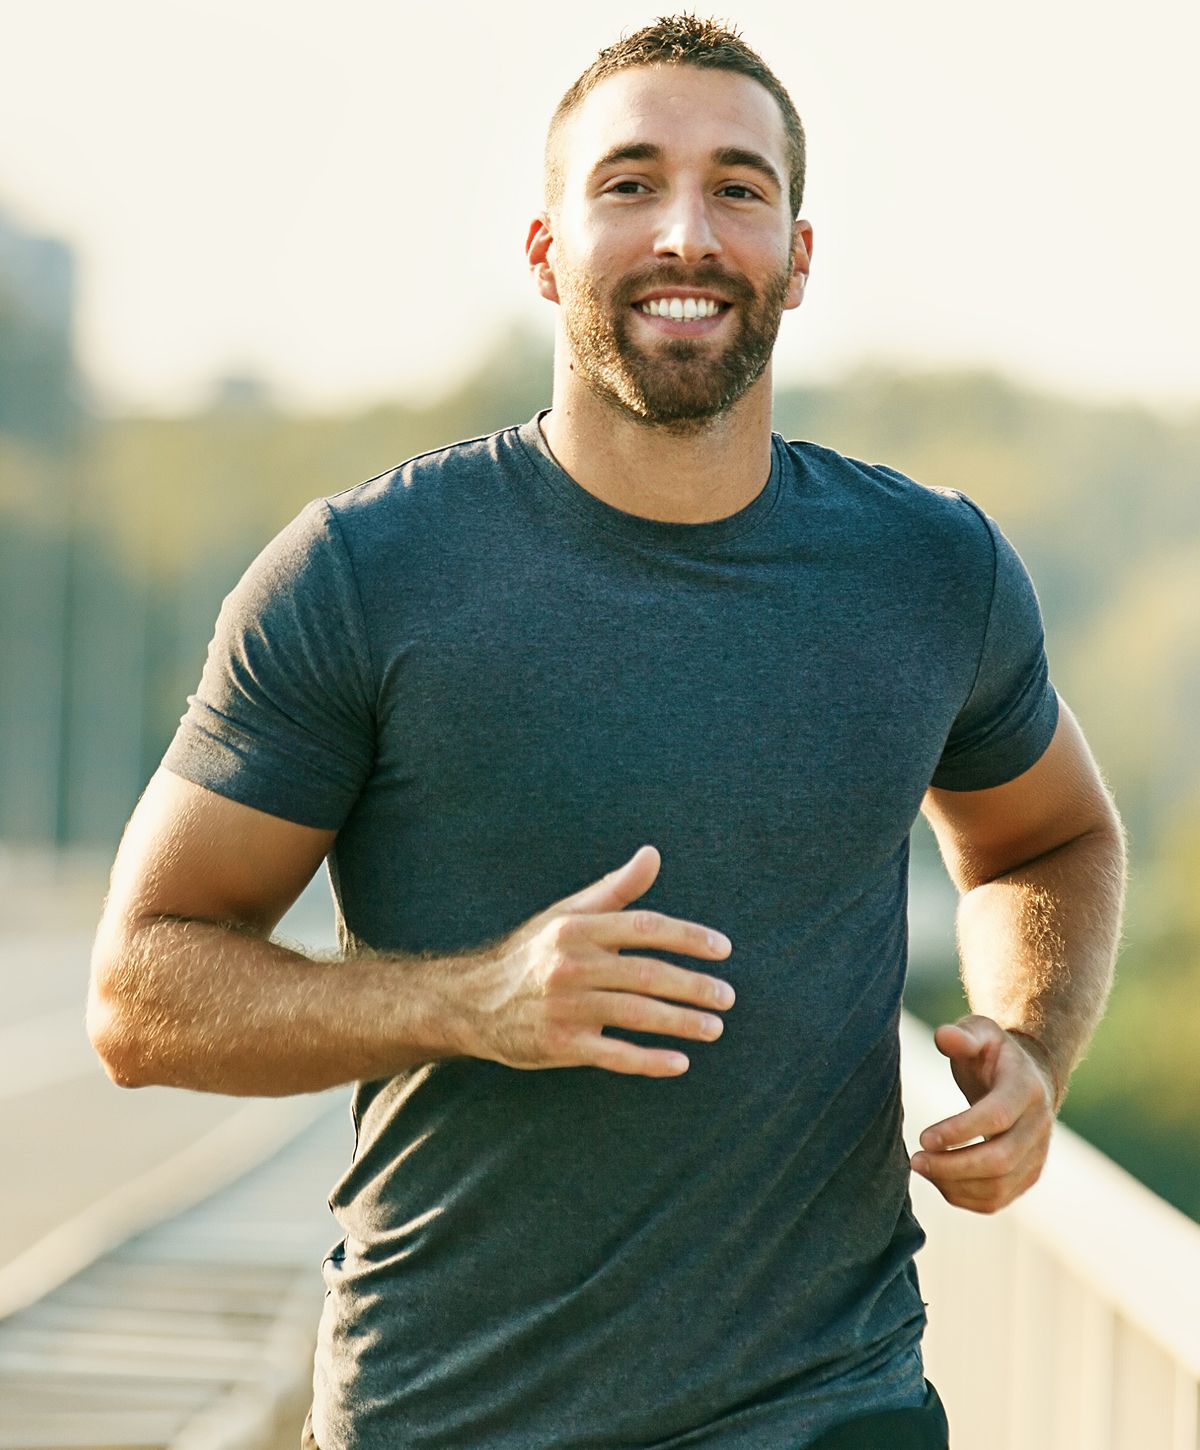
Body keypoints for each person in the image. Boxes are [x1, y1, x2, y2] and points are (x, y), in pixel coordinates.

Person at [87, 15, 1126, 1449]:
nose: (687, 232)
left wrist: (1029, 1046)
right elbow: (140, 994)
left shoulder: (931, 571)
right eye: (629, 183)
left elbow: (1051, 835)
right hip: (449, 1411)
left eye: (740, 188)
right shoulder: (361, 573)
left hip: (834, 1404)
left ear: (798, 258)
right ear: (546, 249)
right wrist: (474, 1001)